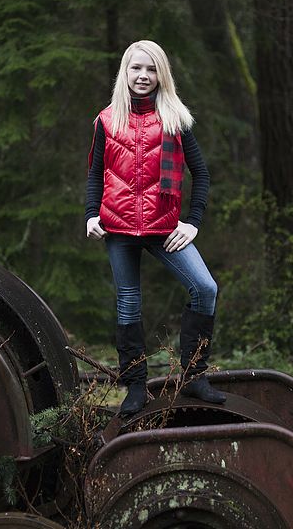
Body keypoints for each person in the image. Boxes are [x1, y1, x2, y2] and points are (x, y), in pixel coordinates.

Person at [85, 40, 226, 416]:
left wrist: (192, 223)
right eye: (136, 68)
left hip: (164, 227)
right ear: (125, 73)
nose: (143, 76)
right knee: (128, 302)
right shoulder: (107, 120)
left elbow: (202, 175)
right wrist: (90, 215)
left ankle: (194, 376)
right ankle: (134, 386)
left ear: (161, 74)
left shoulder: (175, 119)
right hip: (118, 228)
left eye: (151, 69)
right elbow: (96, 174)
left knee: (205, 288)